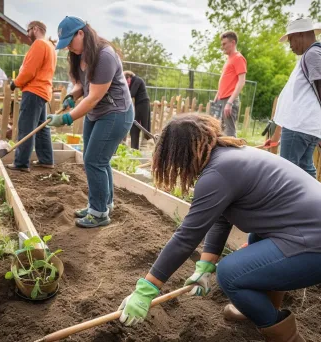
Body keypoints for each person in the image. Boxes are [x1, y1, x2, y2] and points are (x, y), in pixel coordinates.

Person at [117, 114, 321, 341]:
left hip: (313, 245)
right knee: (256, 241)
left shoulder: (217, 174)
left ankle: (284, 335)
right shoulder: (228, 157)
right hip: (305, 230)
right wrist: (204, 266)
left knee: (230, 274)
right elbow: (223, 217)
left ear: (179, 155)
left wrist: (146, 289)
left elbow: (186, 237)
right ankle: (262, 308)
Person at [47, 16, 134, 228]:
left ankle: (99, 213)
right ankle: (104, 204)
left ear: (81, 33)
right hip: (97, 114)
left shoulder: (104, 55)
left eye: (70, 40)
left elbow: (94, 96)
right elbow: (82, 85)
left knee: (94, 160)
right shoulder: (78, 54)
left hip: (115, 113)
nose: (68, 46)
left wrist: (66, 118)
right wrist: (72, 96)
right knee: (95, 159)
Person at [265, 18, 321, 178]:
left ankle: (285, 203)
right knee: (305, 169)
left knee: (286, 173)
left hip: (299, 126)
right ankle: (313, 201)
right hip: (305, 126)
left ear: (301, 35)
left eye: (291, 39)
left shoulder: (313, 54)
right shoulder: (311, 55)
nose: (290, 46)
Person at [6, 21, 56, 173]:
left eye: (28, 31)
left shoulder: (39, 44)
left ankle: (21, 163)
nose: (27, 35)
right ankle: (46, 160)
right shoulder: (50, 47)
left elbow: (29, 71)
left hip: (33, 91)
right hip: (43, 92)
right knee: (42, 128)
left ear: (35, 29)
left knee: (26, 127)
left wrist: (16, 82)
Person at [212, 31, 247, 137]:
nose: (222, 47)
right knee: (220, 130)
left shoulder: (238, 58)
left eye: (224, 44)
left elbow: (241, 81)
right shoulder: (229, 59)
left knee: (229, 133)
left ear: (232, 43)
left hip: (229, 100)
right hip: (222, 99)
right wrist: (218, 95)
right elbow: (226, 80)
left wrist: (230, 102)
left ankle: (233, 153)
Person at [124, 71, 151, 149]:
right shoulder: (133, 81)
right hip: (138, 104)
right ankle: (134, 147)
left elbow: (132, 93)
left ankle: (144, 143)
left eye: (127, 81)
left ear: (129, 77)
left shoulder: (137, 80)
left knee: (144, 123)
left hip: (144, 103)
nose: (127, 84)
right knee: (134, 125)